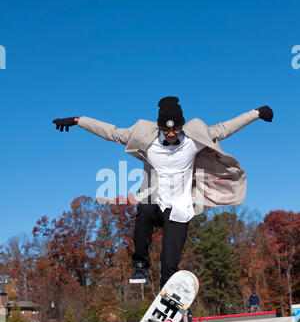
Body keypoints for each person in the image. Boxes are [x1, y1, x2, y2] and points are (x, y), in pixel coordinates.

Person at [52, 97, 273, 290]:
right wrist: (78, 121)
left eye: (175, 129)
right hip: (155, 202)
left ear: (181, 126)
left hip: (180, 209)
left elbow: (225, 128)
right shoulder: (144, 137)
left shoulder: (194, 138)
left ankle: (166, 294)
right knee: (145, 209)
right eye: (165, 130)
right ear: (159, 127)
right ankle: (140, 265)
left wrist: (256, 113)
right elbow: (112, 132)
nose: (170, 134)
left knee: (169, 264)